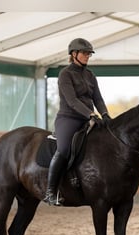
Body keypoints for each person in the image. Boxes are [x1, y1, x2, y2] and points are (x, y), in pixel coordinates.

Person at [43, 38, 111, 206]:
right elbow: (72, 101)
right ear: (74, 54)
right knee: (65, 149)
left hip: (88, 118)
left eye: (89, 54)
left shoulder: (90, 75)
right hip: (69, 118)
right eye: (85, 53)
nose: (88, 56)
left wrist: (105, 114)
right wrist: (90, 114)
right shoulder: (65, 74)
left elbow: (98, 98)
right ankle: (50, 192)